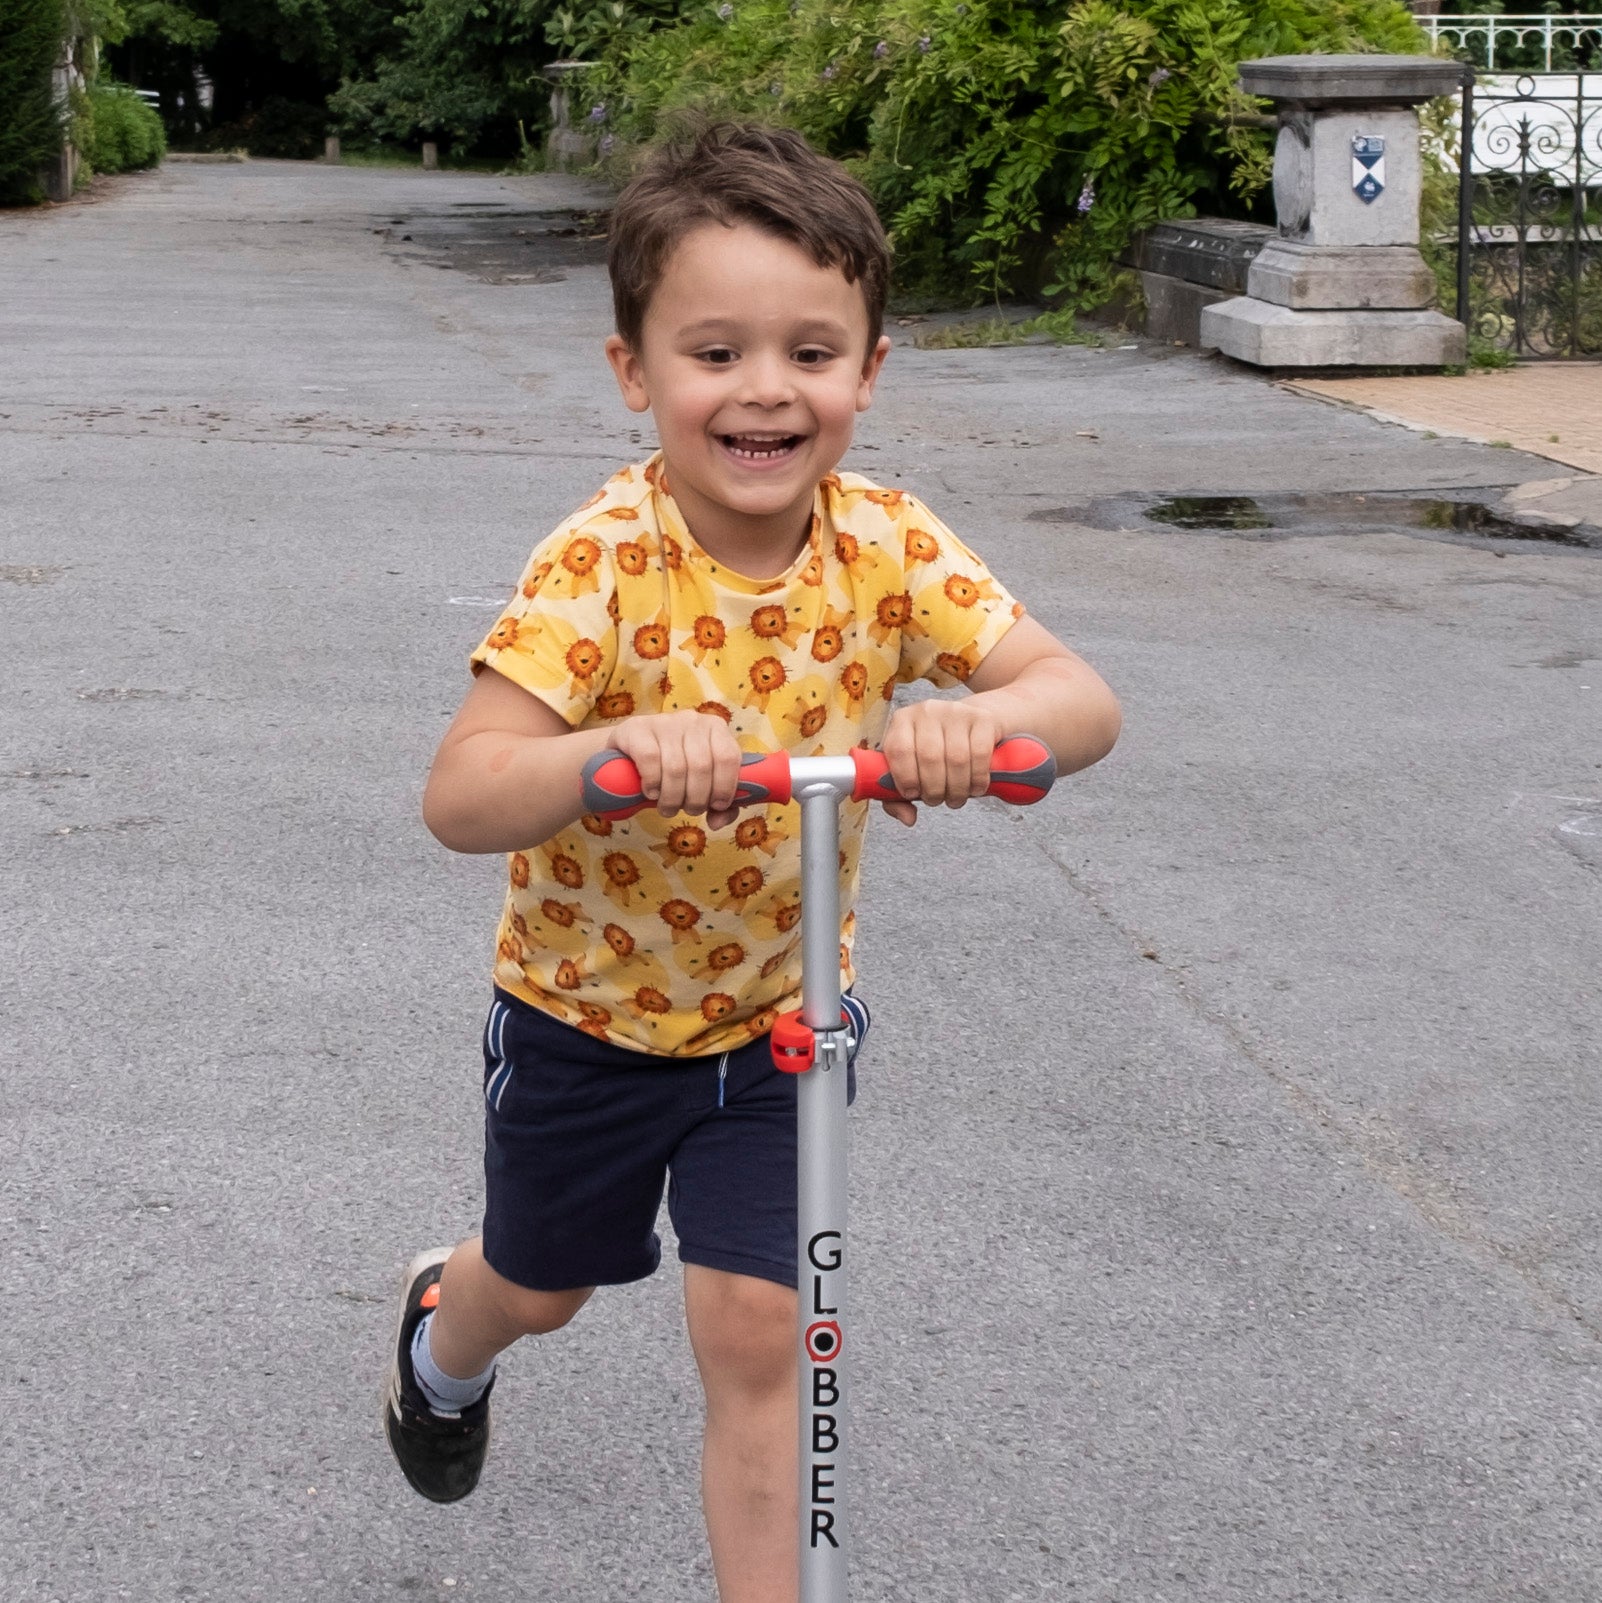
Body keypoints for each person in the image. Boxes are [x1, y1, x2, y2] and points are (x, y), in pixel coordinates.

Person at [382, 120, 1121, 1602]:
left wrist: (972, 729)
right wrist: (608, 760)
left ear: (868, 370)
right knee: (542, 1284)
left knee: (756, 1330)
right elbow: (462, 797)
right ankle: (437, 1338)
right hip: (586, 1020)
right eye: (714, 352)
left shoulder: (889, 544)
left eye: (810, 350)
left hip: (780, 1028)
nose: (766, 390)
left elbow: (1078, 702)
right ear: (634, 373)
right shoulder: (600, 561)